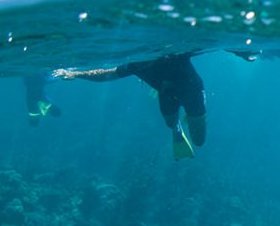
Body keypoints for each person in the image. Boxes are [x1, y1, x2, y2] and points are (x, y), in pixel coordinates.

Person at [53, 52, 206, 159]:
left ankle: (195, 111)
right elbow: (107, 73)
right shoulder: (136, 64)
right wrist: (76, 74)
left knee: (199, 141)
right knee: (170, 123)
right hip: (166, 95)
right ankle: (177, 128)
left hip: (193, 93)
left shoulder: (176, 55)